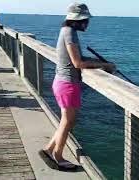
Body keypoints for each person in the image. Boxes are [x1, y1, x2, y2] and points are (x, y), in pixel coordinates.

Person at [41, 3, 116, 169]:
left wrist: (103, 63)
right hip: (67, 84)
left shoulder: (67, 31)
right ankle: (58, 157)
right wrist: (104, 66)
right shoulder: (70, 33)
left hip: (62, 82)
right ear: (79, 20)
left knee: (66, 121)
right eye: (86, 20)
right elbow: (78, 62)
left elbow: (78, 57)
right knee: (68, 121)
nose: (87, 23)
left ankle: (48, 150)